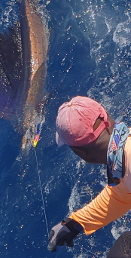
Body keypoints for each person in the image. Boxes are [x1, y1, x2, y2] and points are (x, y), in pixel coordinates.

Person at [47, 96, 131, 253]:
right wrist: (76, 223)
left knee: (121, 252)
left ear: (79, 152)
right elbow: (119, 196)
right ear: (106, 116)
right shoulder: (122, 159)